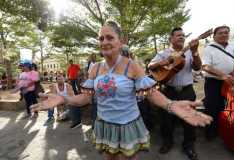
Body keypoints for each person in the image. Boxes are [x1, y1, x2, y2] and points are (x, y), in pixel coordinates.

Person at [31, 21, 212, 160]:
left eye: (110, 37)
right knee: (110, 158)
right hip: (105, 125)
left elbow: (151, 92)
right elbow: (86, 98)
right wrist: (65, 100)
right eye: (101, 38)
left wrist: (170, 104)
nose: (104, 42)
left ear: (121, 41)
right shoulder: (94, 69)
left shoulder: (132, 66)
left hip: (128, 126)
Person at [148, 27, 202, 160]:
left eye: (183, 35)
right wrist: (164, 61)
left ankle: (188, 145)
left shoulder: (190, 52)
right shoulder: (164, 53)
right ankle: (168, 142)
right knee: (166, 119)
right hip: (168, 91)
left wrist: (195, 52)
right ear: (171, 39)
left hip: (187, 91)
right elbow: (150, 66)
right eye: (178, 35)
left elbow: (198, 67)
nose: (181, 37)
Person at [202, 25, 234, 141]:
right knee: (212, 107)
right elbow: (205, 66)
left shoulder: (233, 46)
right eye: (220, 33)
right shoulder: (209, 48)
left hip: (231, 82)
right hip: (214, 83)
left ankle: (224, 130)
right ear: (214, 36)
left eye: (226, 32)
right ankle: (210, 133)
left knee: (226, 107)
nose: (224, 35)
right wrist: (223, 75)